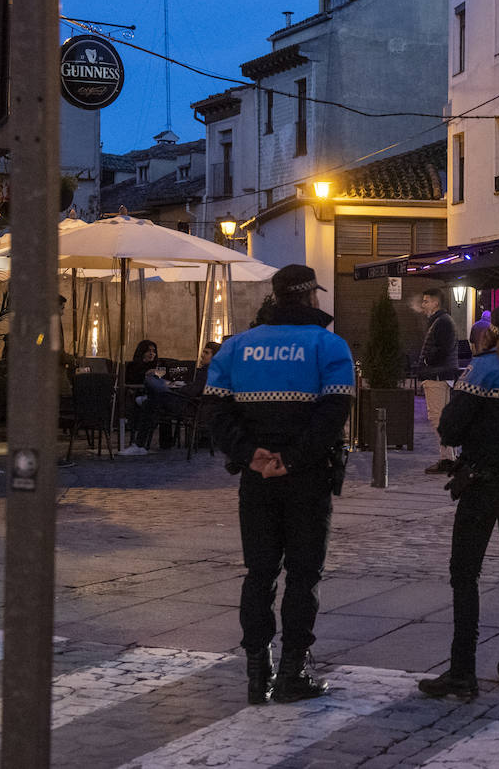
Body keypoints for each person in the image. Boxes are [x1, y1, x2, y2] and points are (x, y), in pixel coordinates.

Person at [206, 264, 355, 706]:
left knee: (260, 573)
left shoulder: (236, 347)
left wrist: (251, 455)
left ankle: (257, 673)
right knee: (303, 574)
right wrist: (292, 459)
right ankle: (293, 671)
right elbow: (333, 415)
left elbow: (215, 413)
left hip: (256, 480)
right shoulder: (329, 346)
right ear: (310, 297)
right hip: (307, 478)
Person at [419, 303, 499, 701]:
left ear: (493, 330)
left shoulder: (483, 368)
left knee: (465, 576)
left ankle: (462, 672)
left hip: (483, 482)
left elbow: (451, 426)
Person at [417, 287, 460, 475]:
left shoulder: (441, 322)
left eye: (426, 301)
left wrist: (427, 361)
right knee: (440, 417)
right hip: (439, 374)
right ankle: (449, 456)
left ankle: (448, 459)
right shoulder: (441, 321)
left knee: (437, 417)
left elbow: (442, 349)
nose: (423, 304)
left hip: (437, 375)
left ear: (436, 303)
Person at [120, 339, 162, 455]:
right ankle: (139, 443)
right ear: (142, 352)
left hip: (154, 394)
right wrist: (145, 374)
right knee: (148, 404)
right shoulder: (133, 366)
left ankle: (165, 443)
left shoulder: (157, 366)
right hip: (137, 394)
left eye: (154, 351)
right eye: (148, 351)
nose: (151, 354)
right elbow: (131, 381)